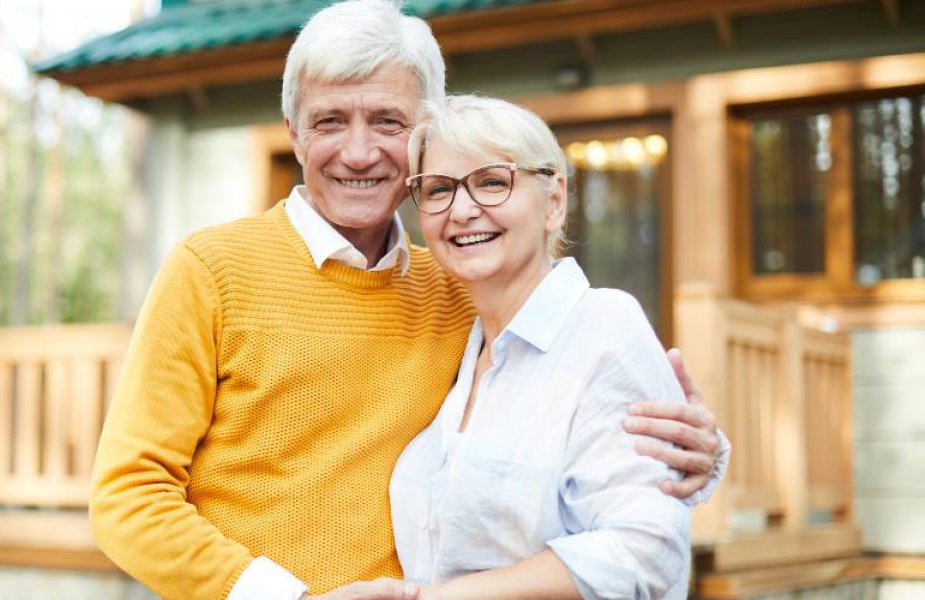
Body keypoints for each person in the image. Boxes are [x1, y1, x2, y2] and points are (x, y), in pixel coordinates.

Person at [89, 1, 728, 598]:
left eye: (387, 121)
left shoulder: (459, 289)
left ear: (424, 131)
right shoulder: (212, 271)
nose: (360, 152)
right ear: (294, 131)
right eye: (330, 121)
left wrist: (701, 451)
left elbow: (570, 404)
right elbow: (128, 497)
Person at [390, 95, 691, 599]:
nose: (462, 210)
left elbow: (647, 549)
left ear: (554, 202)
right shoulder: (462, 348)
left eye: (492, 181)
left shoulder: (602, 326)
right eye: (439, 190)